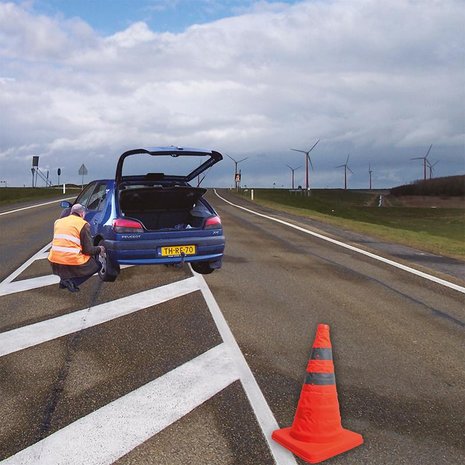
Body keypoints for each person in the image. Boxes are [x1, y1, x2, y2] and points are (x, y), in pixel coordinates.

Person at [48, 203, 105, 292]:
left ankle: (64, 281)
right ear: (82, 214)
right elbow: (88, 250)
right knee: (97, 265)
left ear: (71, 212)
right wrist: (100, 249)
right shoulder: (83, 224)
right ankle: (72, 282)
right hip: (69, 260)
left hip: (54, 260)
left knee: (68, 258)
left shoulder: (58, 222)